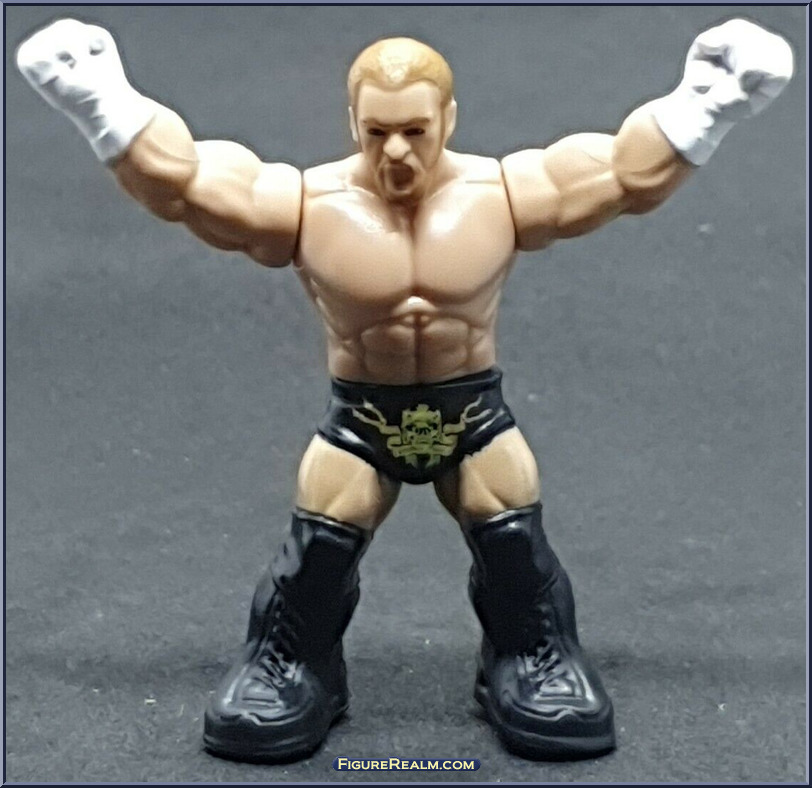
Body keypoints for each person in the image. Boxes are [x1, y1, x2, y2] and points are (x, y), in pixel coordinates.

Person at [16, 17, 793, 763]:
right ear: (351, 122)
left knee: (512, 535)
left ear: (447, 119)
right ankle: (292, 667)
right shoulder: (309, 205)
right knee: (320, 545)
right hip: (364, 419)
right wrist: (103, 102)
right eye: (377, 130)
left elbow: (622, 175)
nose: (396, 151)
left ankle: (531, 659)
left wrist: (704, 105)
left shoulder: (499, 193)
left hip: (471, 412)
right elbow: (185, 184)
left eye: (415, 130)